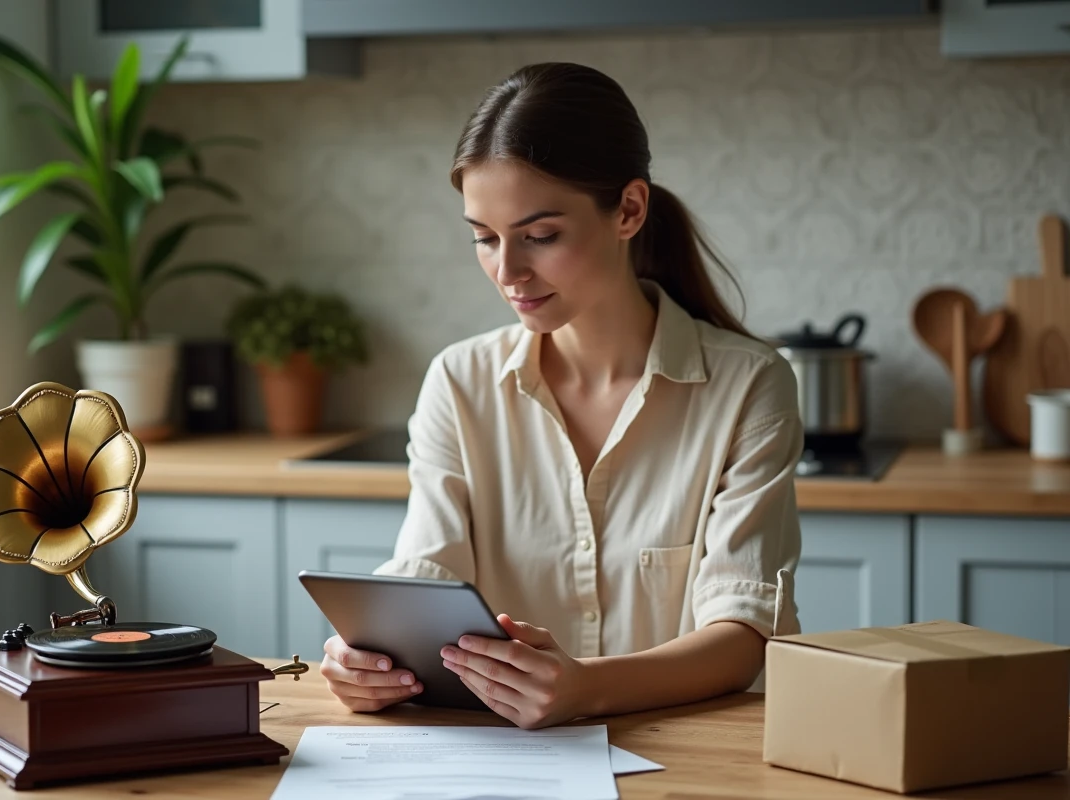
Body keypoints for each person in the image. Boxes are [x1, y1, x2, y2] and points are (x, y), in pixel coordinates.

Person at [319, 62, 803, 730]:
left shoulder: (749, 384)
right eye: (484, 239)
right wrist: (369, 656)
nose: (508, 272)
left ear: (629, 210)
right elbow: (428, 569)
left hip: (684, 761)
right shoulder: (459, 381)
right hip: (499, 763)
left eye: (539, 236)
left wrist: (587, 689)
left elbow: (744, 632)